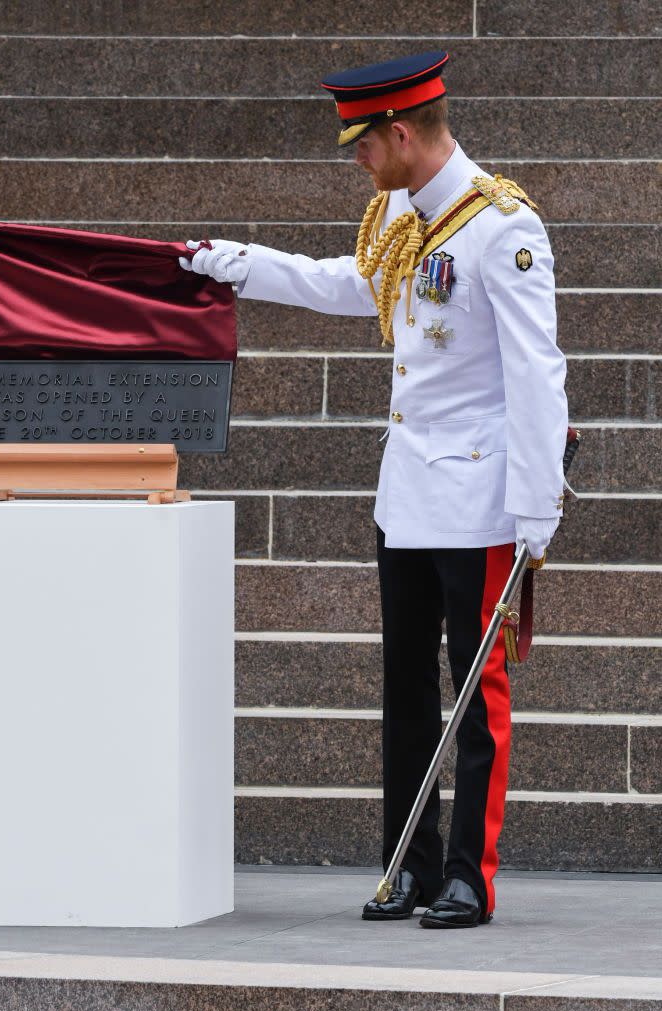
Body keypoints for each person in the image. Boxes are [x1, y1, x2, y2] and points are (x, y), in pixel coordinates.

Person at [180, 51, 568, 928]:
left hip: (480, 501)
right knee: (405, 693)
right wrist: (238, 264)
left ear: (401, 134)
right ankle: (411, 864)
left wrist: (537, 513)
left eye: (363, 144)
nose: (355, 160)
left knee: (477, 701)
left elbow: (538, 374)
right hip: (407, 499)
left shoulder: (501, 228)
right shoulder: (403, 213)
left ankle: (470, 873)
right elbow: (355, 285)